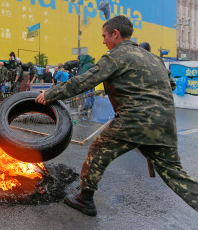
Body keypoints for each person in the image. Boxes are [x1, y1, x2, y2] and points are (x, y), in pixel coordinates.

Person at [35, 15, 198, 216]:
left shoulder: (115, 56)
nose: (103, 41)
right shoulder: (154, 58)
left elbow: (83, 82)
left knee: (97, 152)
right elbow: (170, 85)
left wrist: (50, 94)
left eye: (104, 36)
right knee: (176, 175)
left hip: (134, 121)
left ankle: (84, 199)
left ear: (115, 34)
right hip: (166, 124)